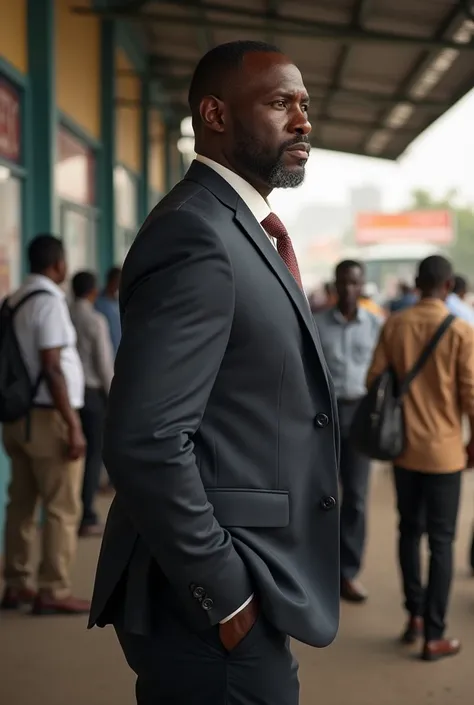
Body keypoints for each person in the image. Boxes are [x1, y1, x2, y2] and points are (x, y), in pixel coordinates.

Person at [88, 40, 340, 705]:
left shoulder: (240, 228)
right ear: (215, 114)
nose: (303, 121)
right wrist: (225, 596)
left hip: (249, 582)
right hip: (207, 607)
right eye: (281, 102)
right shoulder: (196, 233)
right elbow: (145, 440)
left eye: (305, 105)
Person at [367, 255, 474, 662]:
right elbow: (471, 395)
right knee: (442, 542)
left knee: (409, 532)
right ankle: (435, 633)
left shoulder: (395, 324)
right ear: (448, 287)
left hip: (404, 452)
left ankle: (412, 616)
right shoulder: (461, 332)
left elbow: (373, 379)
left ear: (416, 283)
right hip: (445, 455)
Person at [0, 235, 89, 615]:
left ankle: (17, 584)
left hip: (17, 420)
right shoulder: (49, 303)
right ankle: (52, 588)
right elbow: (52, 368)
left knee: (20, 504)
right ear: (58, 264)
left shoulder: (14, 299)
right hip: (48, 417)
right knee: (60, 507)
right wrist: (74, 425)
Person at [314, 260, 382, 603]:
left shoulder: (375, 325)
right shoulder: (316, 324)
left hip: (360, 414)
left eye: (354, 283)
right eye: (343, 283)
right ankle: (318, 570)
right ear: (334, 285)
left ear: (362, 284)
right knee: (322, 495)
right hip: (324, 416)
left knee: (355, 496)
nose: (349, 289)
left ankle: (348, 573)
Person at [70, 271, 115, 537]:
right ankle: (86, 514)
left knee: (72, 458)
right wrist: (113, 396)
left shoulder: (65, 313)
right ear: (92, 291)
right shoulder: (94, 319)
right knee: (93, 454)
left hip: (69, 396)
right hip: (93, 394)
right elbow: (103, 363)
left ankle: (78, 509)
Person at [95, 266, 121, 355]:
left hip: (119, 349)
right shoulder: (98, 301)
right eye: (117, 281)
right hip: (104, 350)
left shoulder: (119, 301)